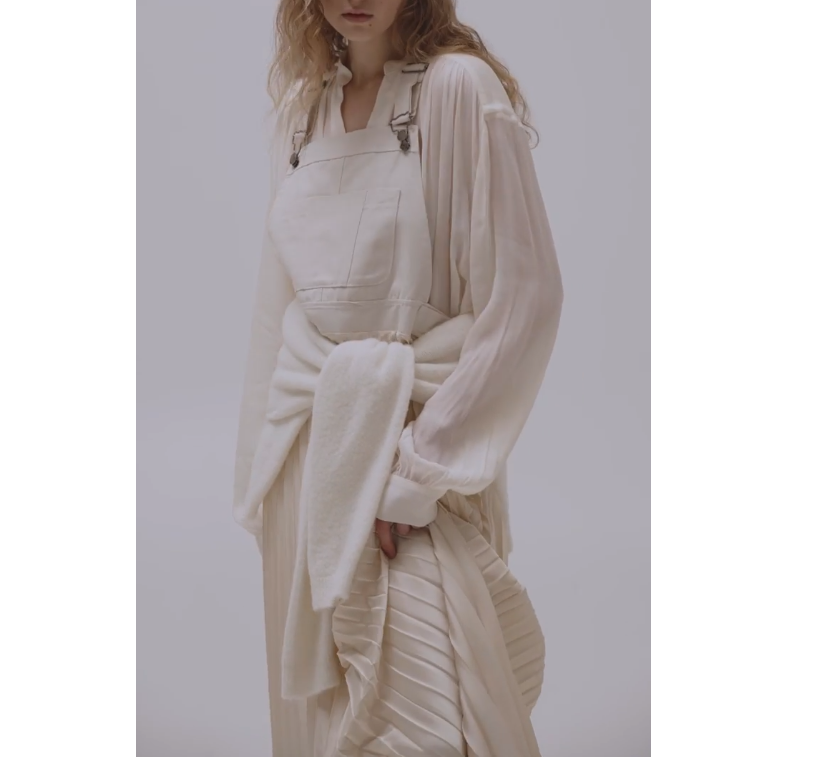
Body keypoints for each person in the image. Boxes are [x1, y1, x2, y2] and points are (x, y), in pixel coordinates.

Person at [233, 0, 564, 754]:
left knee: (438, 717)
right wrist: (260, 476)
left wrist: (421, 471)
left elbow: (524, 296)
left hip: (413, 443)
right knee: (318, 721)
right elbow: (276, 309)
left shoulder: (457, 89)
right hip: (306, 452)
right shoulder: (303, 108)